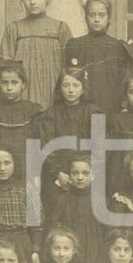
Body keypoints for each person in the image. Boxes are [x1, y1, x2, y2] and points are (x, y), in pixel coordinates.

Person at [0, 0, 73, 108]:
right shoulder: (14, 28)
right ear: (22, 0)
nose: (32, 2)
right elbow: (7, 66)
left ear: (48, 0)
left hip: (53, 90)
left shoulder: (60, 28)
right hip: (24, 93)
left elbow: (69, 66)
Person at [36, 65, 105, 206]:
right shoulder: (50, 115)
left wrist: (88, 173)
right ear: (60, 89)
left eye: (76, 85)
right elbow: (46, 146)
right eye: (66, 85)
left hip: (86, 175)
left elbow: (99, 148)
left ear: (83, 88)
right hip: (58, 176)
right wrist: (58, 173)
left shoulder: (94, 112)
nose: (71, 90)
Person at [0, 59, 44, 178]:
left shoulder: (33, 111)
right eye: (4, 83)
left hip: (27, 171)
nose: (9, 87)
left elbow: (38, 147)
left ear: (23, 85)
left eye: (14, 82)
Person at [63, 0, 128, 122]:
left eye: (101, 15)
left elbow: (122, 79)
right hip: (81, 107)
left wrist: (123, 106)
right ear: (86, 17)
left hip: (110, 105)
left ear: (109, 17)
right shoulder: (75, 44)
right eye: (92, 15)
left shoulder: (118, 46)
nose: (97, 19)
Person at [46, 153, 109, 263]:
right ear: (69, 175)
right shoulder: (62, 200)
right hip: (69, 256)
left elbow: (107, 233)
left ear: (93, 175)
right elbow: (54, 229)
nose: (80, 177)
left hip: (95, 254)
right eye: (75, 173)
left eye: (85, 173)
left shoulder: (100, 201)